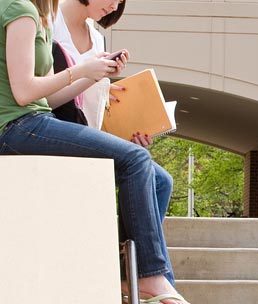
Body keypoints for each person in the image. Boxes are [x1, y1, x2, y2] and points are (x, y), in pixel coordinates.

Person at [0, 0, 186, 303]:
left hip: (36, 118)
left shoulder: (41, 14)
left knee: (157, 178)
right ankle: (147, 277)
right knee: (136, 159)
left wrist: (92, 75)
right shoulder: (20, 9)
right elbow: (23, 93)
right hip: (17, 127)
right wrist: (80, 70)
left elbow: (49, 97)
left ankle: (136, 277)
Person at [51, 0, 177, 286]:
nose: (115, 5)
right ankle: (152, 280)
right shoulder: (50, 21)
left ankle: (128, 271)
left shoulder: (97, 37)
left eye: (121, 2)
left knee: (161, 181)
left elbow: (95, 110)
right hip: (57, 125)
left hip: (89, 132)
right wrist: (90, 73)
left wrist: (128, 136)